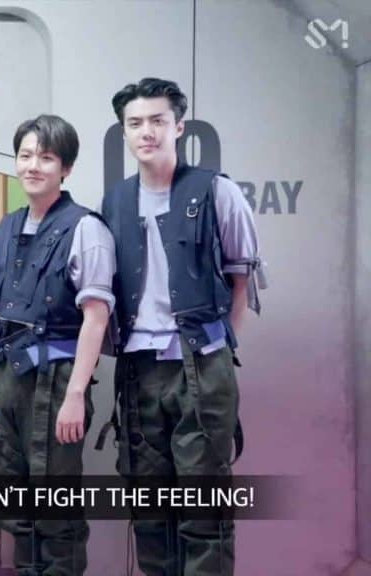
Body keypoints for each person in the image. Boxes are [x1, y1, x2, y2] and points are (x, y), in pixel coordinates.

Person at [102, 77, 264, 575]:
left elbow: (240, 280)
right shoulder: (115, 201)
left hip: (201, 365)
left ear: (179, 127)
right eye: (135, 123)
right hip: (138, 369)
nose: (146, 131)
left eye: (157, 120)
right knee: (149, 507)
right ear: (124, 132)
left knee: (203, 506)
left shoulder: (216, 191)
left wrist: (218, 351)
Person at [0, 114, 115, 575]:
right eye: (25, 155)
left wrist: (75, 395)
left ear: (66, 168)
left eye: (46, 157)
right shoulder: (4, 229)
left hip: (56, 384)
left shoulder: (86, 228)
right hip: (7, 380)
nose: (32, 166)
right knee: (15, 505)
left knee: (56, 508)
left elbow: (96, 318)